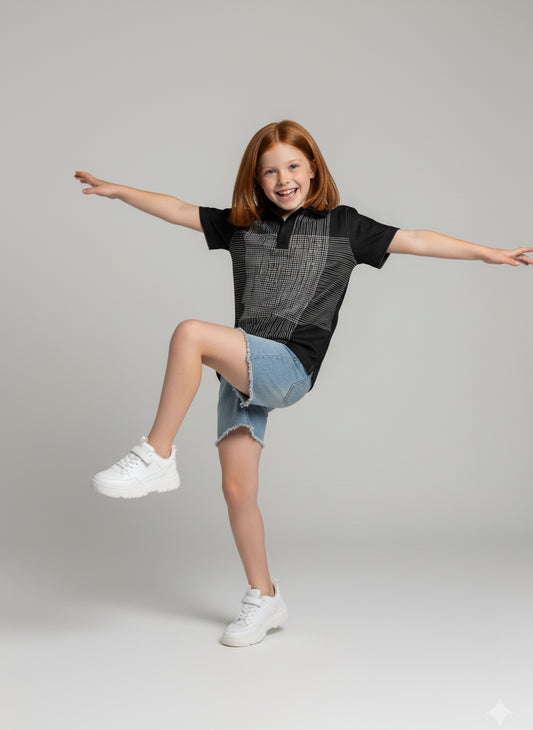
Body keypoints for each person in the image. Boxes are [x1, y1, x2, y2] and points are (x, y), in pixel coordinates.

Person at [75, 119, 532, 647]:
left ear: (313, 169)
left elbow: (416, 239)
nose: (283, 179)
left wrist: (489, 252)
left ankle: (156, 453)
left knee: (190, 334)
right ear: (257, 178)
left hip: (289, 367)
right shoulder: (243, 224)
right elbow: (178, 210)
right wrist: (118, 191)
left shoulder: (344, 227)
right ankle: (264, 596)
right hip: (243, 367)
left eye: (293, 166)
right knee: (237, 490)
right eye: (270, 171)